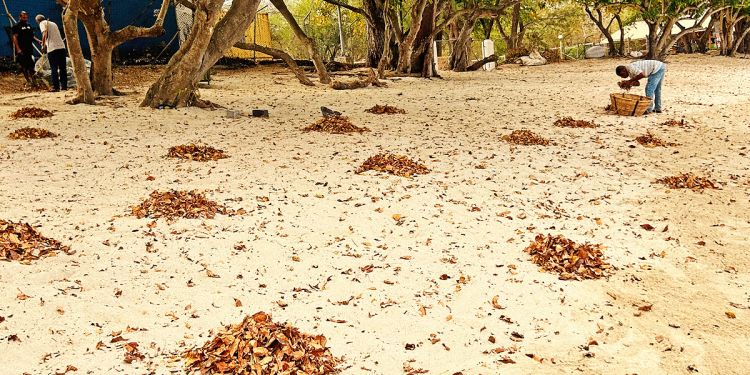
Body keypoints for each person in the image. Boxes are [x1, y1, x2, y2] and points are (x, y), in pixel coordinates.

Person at [36, 14, 68, 92]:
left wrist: (43, 46)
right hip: (61, 47)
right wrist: (45, 42)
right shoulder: (53, 23)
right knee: (62, 68)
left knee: (54, 68)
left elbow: (44, 34)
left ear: (38, 21)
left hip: (53, 49)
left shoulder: (42, 23)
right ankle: (64, 87)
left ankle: (56, 87)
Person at [11, 11, 38, 87]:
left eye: (26, 17)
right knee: (24, 66)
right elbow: (14, 37)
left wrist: (38, 41)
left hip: (29, 49)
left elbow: (32, 36)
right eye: (23, 17)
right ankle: (28, 81)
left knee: (31, 66)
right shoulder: (16, 26)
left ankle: (34, 81)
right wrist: (18, 48)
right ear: (20, 17)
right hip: (22, 50)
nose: (25, 19)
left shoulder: (29, 25)